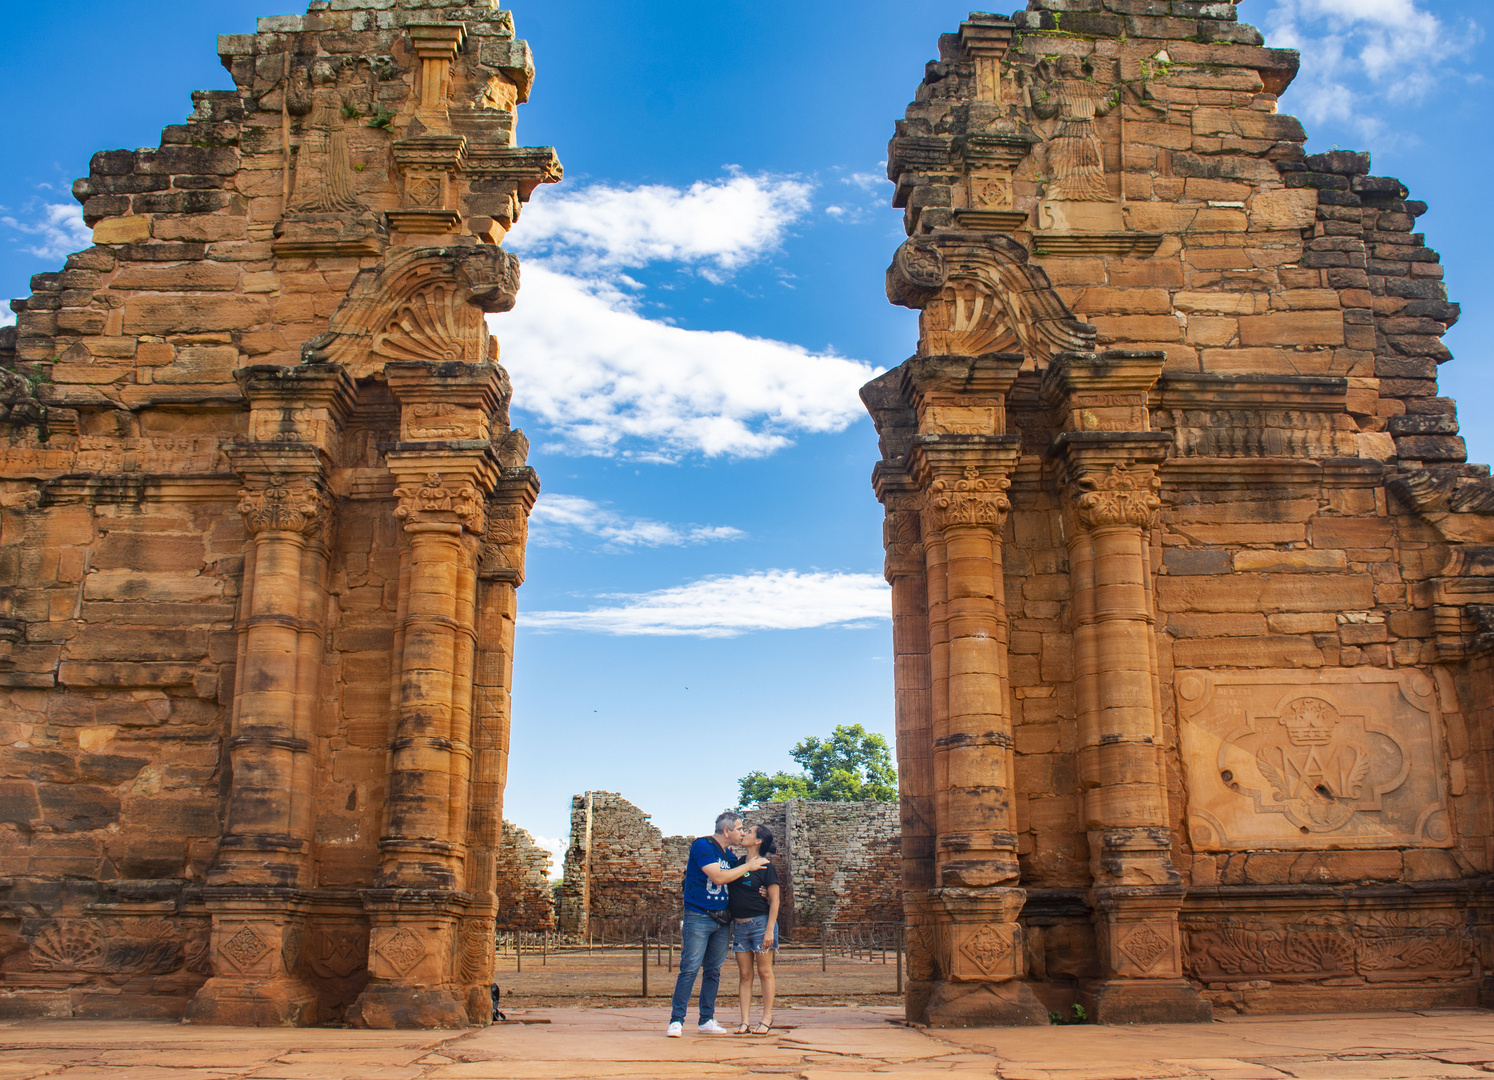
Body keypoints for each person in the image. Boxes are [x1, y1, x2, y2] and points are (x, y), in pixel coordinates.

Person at [666, 810, 767, 1038]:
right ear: (726, 831)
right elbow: (719, 877)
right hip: (699, 915)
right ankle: (676, 1020)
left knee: (713, 970)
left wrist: (764, 890)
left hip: (722, 919)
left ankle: (706, 1019)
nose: (742, 833)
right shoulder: (702, 846)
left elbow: (741, 880)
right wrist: (748, 867)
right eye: (740, 829)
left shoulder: (729, 855)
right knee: (690, 967)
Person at [728, 823, 780, 1035]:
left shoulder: (768, 867)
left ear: (758, 841)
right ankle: (744, 1021)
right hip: (740, 926)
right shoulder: (739, 863)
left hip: (760, 924)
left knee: (764, 971)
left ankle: (766, 1018)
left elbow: (775, 900)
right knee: (745, 974)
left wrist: (769, 930)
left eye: (749, 832)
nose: (744, 834)